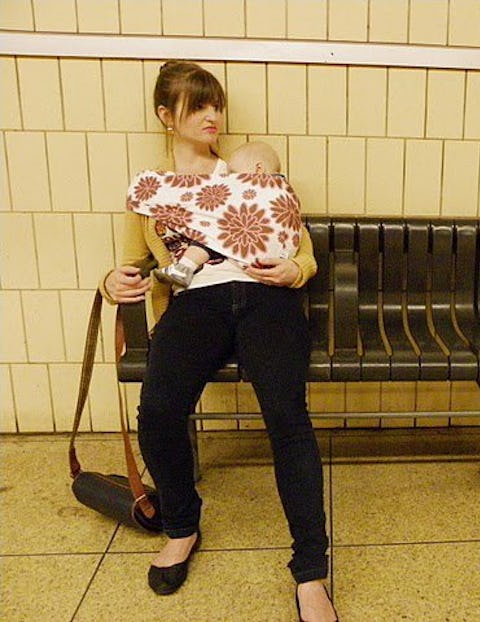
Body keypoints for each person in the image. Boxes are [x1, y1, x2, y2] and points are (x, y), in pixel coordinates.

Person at [100, 61, 338, 622]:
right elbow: (131, 261)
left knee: (288, 416)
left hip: (265, 295)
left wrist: (294, 272)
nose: (212, 115)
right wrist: (112, 282)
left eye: (216, 105)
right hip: (197, 301)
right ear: (166, 115)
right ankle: (181, 526)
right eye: (196, 105)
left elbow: (298, 244)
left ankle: (310, 572)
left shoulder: (250, 173)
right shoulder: (152, 190)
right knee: (158, 410)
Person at [149, 141, 290, 288]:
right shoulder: (154, 184)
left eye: (234, 175)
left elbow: (294, 233)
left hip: (260, 281)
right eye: (194, 115)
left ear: (258, 170)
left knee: (209, 234)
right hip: (205, 289)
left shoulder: (263, 190)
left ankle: (185, 267)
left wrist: (297, 268)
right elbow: (132, 262)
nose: (230, 178)